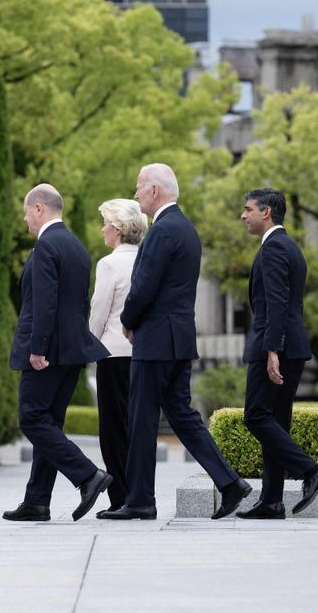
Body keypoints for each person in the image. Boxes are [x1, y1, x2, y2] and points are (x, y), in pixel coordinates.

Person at [99, 163, 250, 521]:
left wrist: (127, 320)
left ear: (155, 190)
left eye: (139, 188)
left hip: (156, 340)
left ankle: (140, 500)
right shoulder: (185, 229)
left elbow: (143, 287)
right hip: (179, 338)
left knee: (141, 419)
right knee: (181, 415)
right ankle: (230, 484)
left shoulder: (163, 230)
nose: (136, 195)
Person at [5, 184, 112, 523]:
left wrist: (37, 349)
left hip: (47, 351)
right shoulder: (77, 246)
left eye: (26, 213)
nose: (25, 220)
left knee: (32, 419)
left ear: (39, 209)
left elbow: (45, 303)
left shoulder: (47, 246)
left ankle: (87, 475)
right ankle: (37, 501)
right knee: (49, 423)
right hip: (72, 350)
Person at [237, 188, 318, 519]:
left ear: (266, 213)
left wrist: (272, 350)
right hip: (289, 345)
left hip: (275, 346)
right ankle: (272, 501)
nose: (243, 215)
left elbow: (278, 303)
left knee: (256, 416)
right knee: (276, 420)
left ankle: (309, 471)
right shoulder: (288, 246)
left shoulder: (275, 248)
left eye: (248, 209)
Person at [87, 199, 146, 514]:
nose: (103, 229)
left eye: (106, 223)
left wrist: (89, 346)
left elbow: (99, 312)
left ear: (119, 229)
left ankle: (120, 497)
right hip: (141, 353)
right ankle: (136, 494)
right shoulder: (146, 260)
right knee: (135, 426)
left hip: (111, 353)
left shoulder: (108, 264)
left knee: (112, 430)